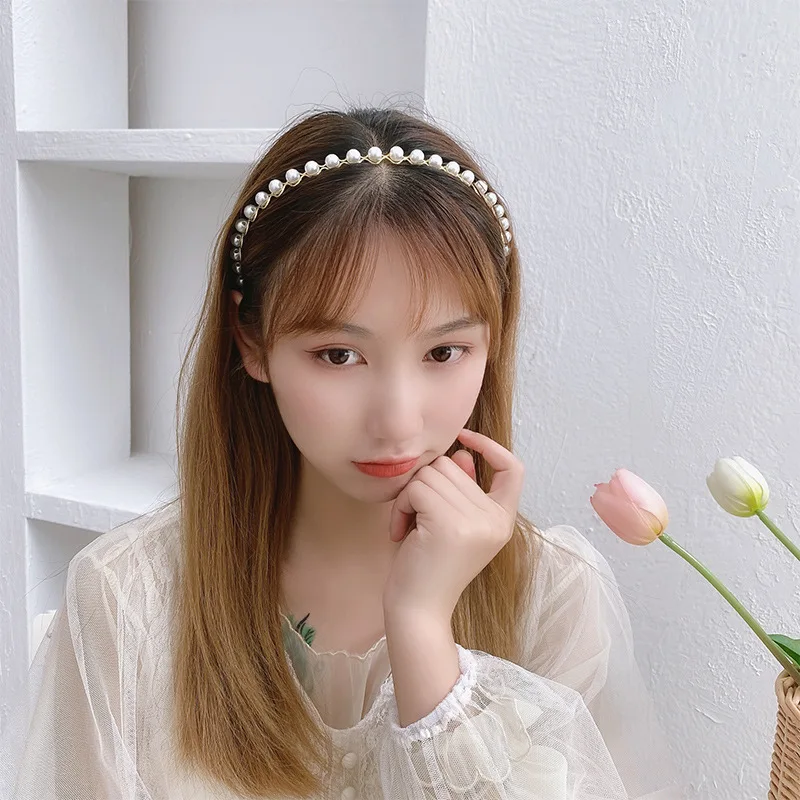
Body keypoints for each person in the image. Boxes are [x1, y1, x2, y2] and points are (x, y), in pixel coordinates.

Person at [0, 105, 684, 799]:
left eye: (444, 352)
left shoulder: (553, 596)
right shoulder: (129, 599)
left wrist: (422, 632)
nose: (398, 421)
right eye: (338, 354)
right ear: (251, 340)